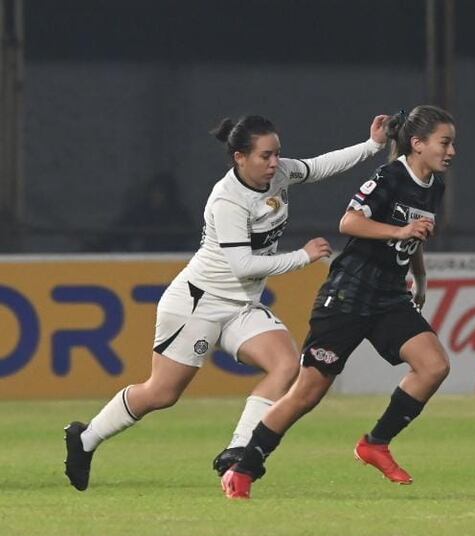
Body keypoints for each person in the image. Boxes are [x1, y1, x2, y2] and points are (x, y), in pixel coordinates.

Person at [64, 113, 389, 491]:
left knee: (286, 365)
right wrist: (302, 256)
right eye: (265, 156)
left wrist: (372, 146)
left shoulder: (279, 173)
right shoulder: (227, 200)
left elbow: (318, 166)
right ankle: (84, 438)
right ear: (240, 157)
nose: (274, 163)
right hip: (198, 303)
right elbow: (242, 265)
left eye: (277, 154)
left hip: (242, 305)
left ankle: (238, 451)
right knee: (162, 393)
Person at [220, 105, 456, 499]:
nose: (451, 151)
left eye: (452, 143)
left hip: (389, 296)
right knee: (306, 394)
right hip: (348, 295)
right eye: (444, 142)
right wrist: (401, 229)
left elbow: (414, 233)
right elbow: (349, 222)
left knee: (433, 366)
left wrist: (421, 273)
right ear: (417, 144)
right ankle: (244, 469)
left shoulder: (434, 185)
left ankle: (375, 444)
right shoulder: (389, 176)